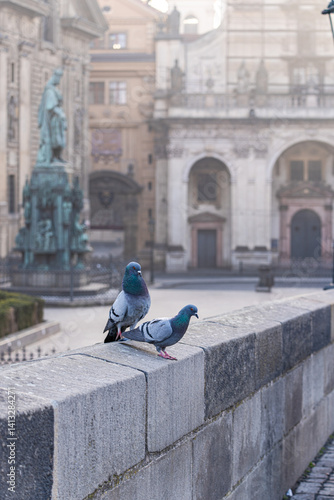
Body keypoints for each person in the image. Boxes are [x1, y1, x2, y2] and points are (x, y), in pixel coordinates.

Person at [37, 68, 67, 165]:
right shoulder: (50, 91)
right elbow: (51, 106)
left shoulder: (54, 90)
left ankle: (57, 157)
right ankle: (53, 157)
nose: (59, 80)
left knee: (60, 140)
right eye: (58, 77)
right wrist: (61, 114)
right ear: (54, 77)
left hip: (57, 121)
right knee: (56, 140)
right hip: (52, 121)